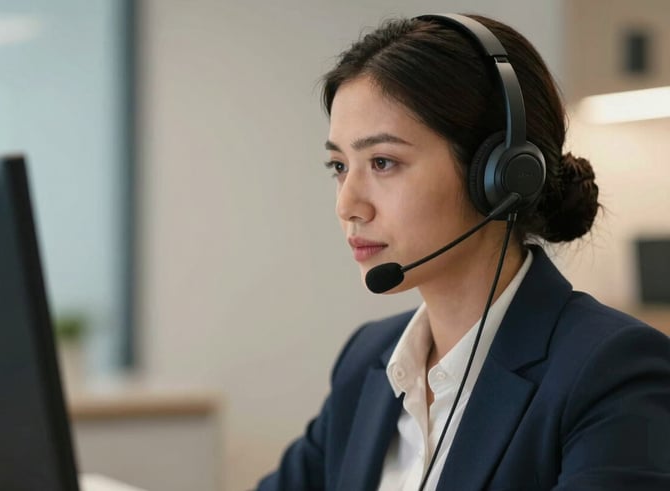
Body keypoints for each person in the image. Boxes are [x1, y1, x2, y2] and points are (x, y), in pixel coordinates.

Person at [255, 13, 670, 491]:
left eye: (383, 162)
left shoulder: (610, 371)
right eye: (339, 166)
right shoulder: (368, 361)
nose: (347, 204)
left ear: (500, 176)